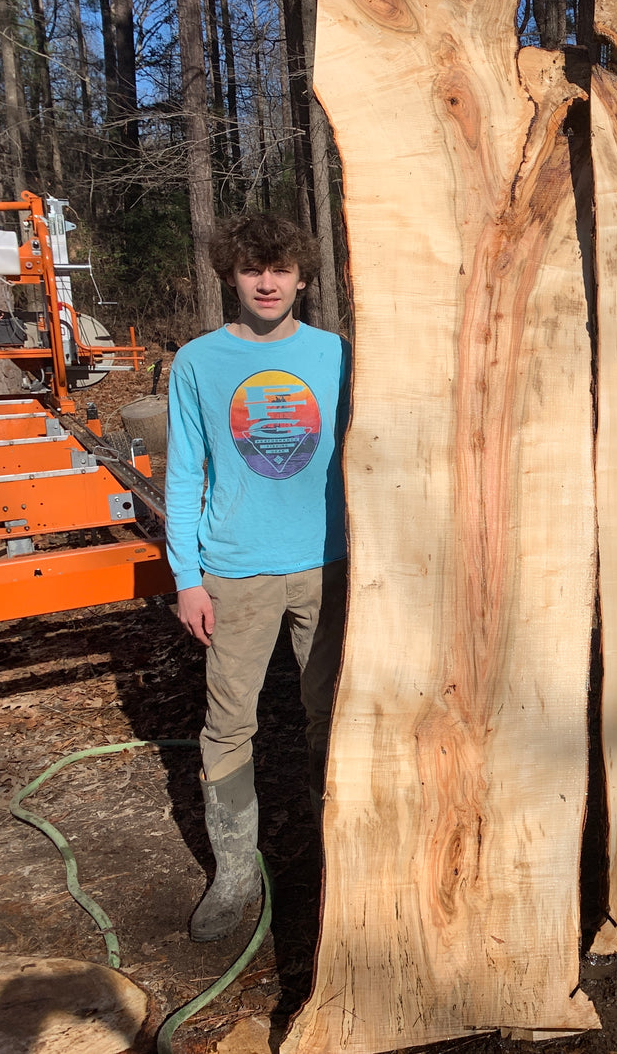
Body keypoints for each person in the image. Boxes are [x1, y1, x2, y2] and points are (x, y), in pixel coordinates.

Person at [165, 212, 350, 942]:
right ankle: (236, 872)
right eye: (252, 269)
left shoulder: (338, 355)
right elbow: (183, 476)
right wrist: (187, 577)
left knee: (333, 717)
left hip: (328, 568)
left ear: (303, 277)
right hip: (234, 573)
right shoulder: (198, 363)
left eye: (280, 269)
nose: (266, 282)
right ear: (230, 277)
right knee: (227, 727)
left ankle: (344, 858)